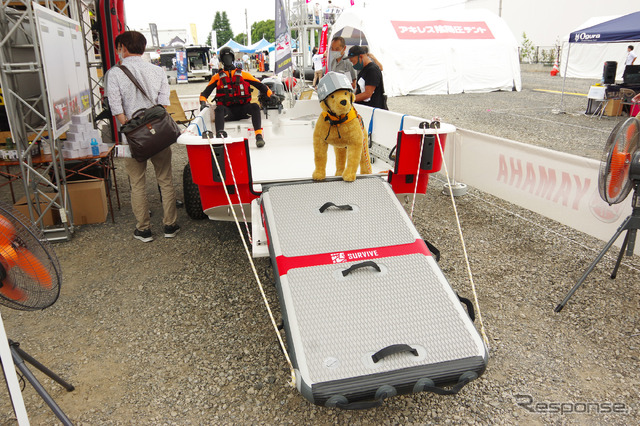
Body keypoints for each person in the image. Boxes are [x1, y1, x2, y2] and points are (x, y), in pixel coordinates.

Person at [106, 31, 180, 243]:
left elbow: (116, 108)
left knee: (137, 183)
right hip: (158, 134)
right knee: (165, 179)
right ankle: (170, 225)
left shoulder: (115, 73)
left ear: (123, 47)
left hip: (132, 137)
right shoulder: (157, 71)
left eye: (118, 47)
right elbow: (163, 104)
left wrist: (131, 129)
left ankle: (144, 229)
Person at [199, 46, 273, 147]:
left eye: (229, 57)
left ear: (233, 58)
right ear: (222, 60)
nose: (227, 60)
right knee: (219, 109)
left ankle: (258, 136)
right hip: (228, 112)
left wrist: (271, 95)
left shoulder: (243, 74)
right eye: (225, 58)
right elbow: (205, 93)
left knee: (255, 106)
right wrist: (202, 102)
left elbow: (260, 86)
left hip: (244, 110)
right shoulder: (216, 77)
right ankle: (219, 137)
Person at [346, 45, 387, 110]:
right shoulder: (363, 70)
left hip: (374, 111)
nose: (353, 65)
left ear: (361, 57)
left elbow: (367, 94)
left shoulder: (372, 70)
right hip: (365, 108)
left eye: (353, 61)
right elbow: (359, 89)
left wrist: (350, 99)